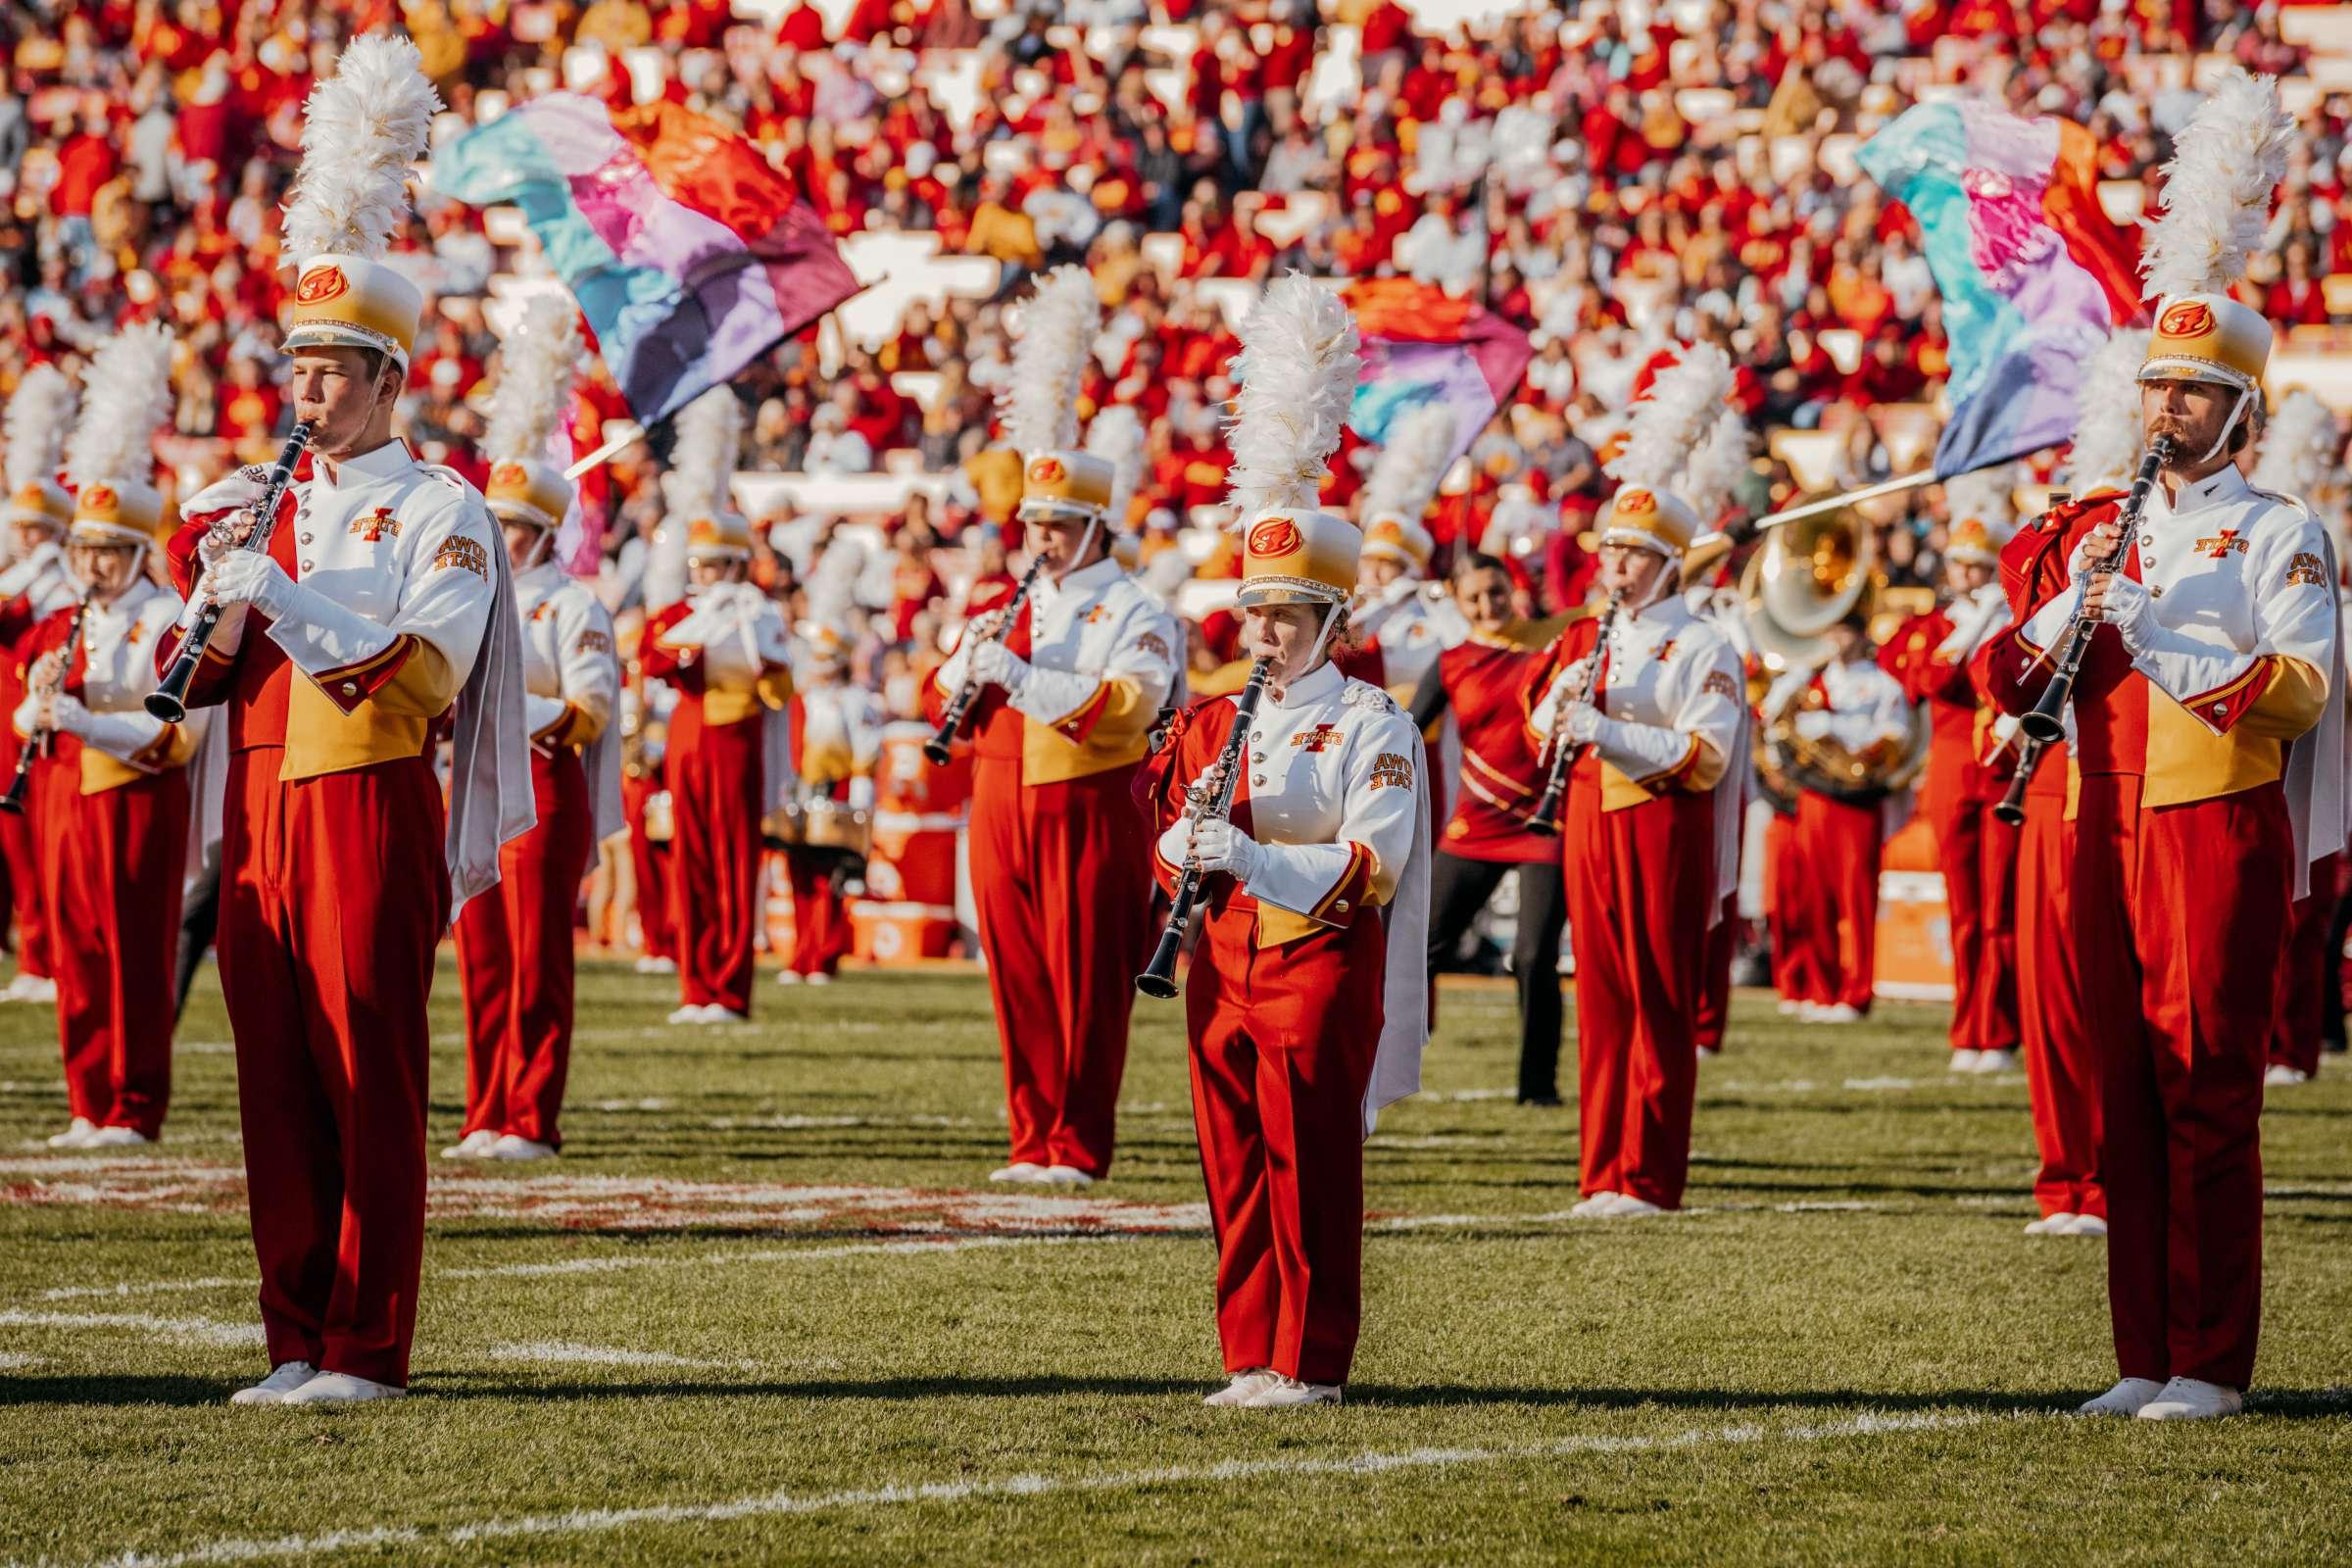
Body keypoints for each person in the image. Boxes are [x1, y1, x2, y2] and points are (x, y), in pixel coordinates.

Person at [162, 35, 530, 1406]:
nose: (305, 392)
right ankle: (294, 1335)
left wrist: (291, 597)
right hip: (259, 793)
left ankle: (369, 1344)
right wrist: (200, 611)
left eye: (333, 371)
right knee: (273, 1082)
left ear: (388, 377)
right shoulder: (256, 499)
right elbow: (190, 683)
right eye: (297, 368)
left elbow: (422, 674)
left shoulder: (440, 506)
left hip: (369, 794)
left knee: (367, 1068)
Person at [1981, 70, 2342, 1422]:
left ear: (2241, 411)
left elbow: (2300, 689)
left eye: (2195, 395)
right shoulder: (2097, 526)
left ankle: (2212, 1360)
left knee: (2206, 1090)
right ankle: (2145, 1353)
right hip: (2093, 811)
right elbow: (2016, 677)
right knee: (2122, 1094)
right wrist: (2060, 615)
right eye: (2159, 389)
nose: (2169, 411)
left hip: (2210, 816)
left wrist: (2167, 637)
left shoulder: (2279, 531)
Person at [1143, 274, 1426, 1408]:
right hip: (1222, 959)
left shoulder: (1375, 722)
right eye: (1255, 613)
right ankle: (1245, 1350)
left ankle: (1310, 1359)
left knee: (1310, 1165)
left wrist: (1248, 856)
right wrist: (1184, 846)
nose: (1261, 631)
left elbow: (1373, 868)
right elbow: (1162, 835)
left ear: (1329, 622)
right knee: (1233, 1171)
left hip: (1315, 959)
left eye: (1285, 618)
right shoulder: (1217, 712)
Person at [925, 267, 1177, 1188]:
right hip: (998, 788)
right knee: (1018, 973)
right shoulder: (1001, 597)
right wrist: (960, 666)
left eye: (1061, 524)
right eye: (1035, 522)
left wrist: (1020, 675)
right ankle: (1031, 1137)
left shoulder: (1136, 607)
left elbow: (1131, 706)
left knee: (1085, 979)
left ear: (1095, 523)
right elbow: (936, 693)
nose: (1042, 539)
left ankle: (1078, 1141)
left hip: (1085, 795)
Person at [1522, 344, 1746, 1217]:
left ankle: (1649, 1176)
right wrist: (1562, 712)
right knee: (1604, 998)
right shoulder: (1586, 635)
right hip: (1587, 819)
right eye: (1609, 553)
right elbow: (1536, 724)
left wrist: (1606, 728)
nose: (1612, 568)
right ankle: (1600, 1169)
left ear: (1665, 562)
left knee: (1657, 996)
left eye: (1629, 556)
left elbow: (1707, 756)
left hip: (1660, 822)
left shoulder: (1701, 642)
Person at [448, 299, 619, 1160]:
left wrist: (510, 706)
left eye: (516, 528)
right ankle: (483, 1109)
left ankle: (532, 1115)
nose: (503, 538)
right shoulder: (471, 594)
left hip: (545, 790)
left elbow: (590, 712)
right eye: (497, 524)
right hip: (473, 783)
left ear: (544, 532)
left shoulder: (571, 604)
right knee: (479, 959)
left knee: (535, 960)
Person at [24, 324, 196, 1151]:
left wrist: (84, 717)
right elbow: (28, 703)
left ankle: (134, 1104)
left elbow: (175, 735)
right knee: (76, 956)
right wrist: (35, 711)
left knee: (134, 955)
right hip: (66, 800)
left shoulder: (163, 619)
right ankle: (86, 1099)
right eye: (84, 549)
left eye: (108, 551)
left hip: (136, 798)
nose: (92, 566)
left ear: (135, 552)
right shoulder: (62, 621)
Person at [641, 398, 795, 1025]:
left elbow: (779, 682)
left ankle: (730, 988)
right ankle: (695, 986)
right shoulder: (684, 609)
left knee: (733, 865)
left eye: (714, 564)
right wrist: (692, 642)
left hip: (733, 738)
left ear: (735, 563)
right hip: (687, 738)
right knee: (692, 866)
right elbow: (653, 654)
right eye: (699, 563)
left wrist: (737, 644)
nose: (704, 573)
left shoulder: (756, 608)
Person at [1410, 553, 1567, 1103]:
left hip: (1545, 824)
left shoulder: (1552, 639)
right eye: (1474, 598)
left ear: (1513, 589)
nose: (1488, 605)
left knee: (1533, 957)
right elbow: (1405, 731)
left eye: (1497, 592)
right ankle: (1387, 1064)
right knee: (1420, 947)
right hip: (1474, 824)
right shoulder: (1452, 661)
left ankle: (1538, 1087)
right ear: (1457, 603)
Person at [1881, 471, 2020, 1071]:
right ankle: (1968, 1027)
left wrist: (1996, 621)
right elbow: (1929, 681)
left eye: (1977, 565)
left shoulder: (2013, 621)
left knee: (2002, 908)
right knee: (1964, 910)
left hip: (2001, 769)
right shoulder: (1937, 627)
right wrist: (1966, 630)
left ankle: (2002, 1030)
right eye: (1960, 565)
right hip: (1949, 774)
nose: (1966, 575)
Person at [1764, 612, 1908, 1023]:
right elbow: (1776, 722)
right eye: (1831, 630)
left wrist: (1834, 728)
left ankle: (1856, 994)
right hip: (1814, 796)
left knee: (1857, 899)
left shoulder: (1882, 684)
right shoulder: (1809, 680)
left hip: (1856, 802)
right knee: (1815, 898)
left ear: (1860, 635)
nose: (1835, 639)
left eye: (1844, 631)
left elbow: (1894, 739)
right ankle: (1822, 989)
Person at [0, 364, 80, 1006]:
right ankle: (35, 954)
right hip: (9, 729)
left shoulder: (58, 583)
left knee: (44, 855)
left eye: (33, 529)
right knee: (19, 853)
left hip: (41, 736)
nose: (23, 538)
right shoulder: (24, 576)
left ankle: (47, 957)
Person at [777, 621, 881, 985]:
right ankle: (801, 956)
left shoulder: (854, 700)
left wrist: (859, 803)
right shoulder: (800, 699)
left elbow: (866, 751)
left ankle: (824, 955)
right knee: (800, 879)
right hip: (801, 794)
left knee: (829, 880)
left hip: (836, 794)